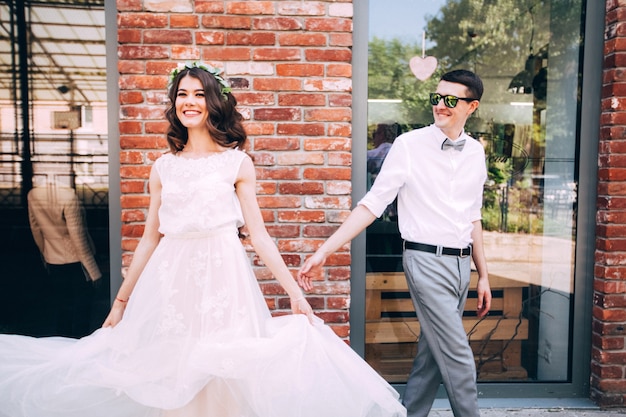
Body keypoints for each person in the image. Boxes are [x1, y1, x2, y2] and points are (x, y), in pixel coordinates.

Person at [0, 61, 406, 417]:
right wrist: (121, 302)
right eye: (182, 94)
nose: (188, 101)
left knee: (221, 368)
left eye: (198, 94)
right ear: (174, 104)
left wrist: (295, 296)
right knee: (171, 369)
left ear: (215, 103)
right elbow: (148, 240)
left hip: (223, 276)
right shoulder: (163, 167)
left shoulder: (237, 162)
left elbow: (259, 236)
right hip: (170, 279)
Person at [299, 69, 492, 417]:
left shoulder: (476, 153)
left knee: (432, 356)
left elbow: (473, 217)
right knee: (458, 355)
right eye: (437, 98)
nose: (440, 106)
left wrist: (484, 275)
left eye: (450, 100)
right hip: (424, 261)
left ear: (471, 106)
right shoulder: (409, 146)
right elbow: (372, 204)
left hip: (462, 265)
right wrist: (325, 250)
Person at [28, 182, 102, 338]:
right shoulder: (69, 197)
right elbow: (78, 238)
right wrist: (93, 271)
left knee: (63, 306)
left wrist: (45, 254)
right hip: (76, 261)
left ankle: (62, 345)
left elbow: (36, 230)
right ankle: (79, 346)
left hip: (53, 260)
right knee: (82, 310)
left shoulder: (33, 195)